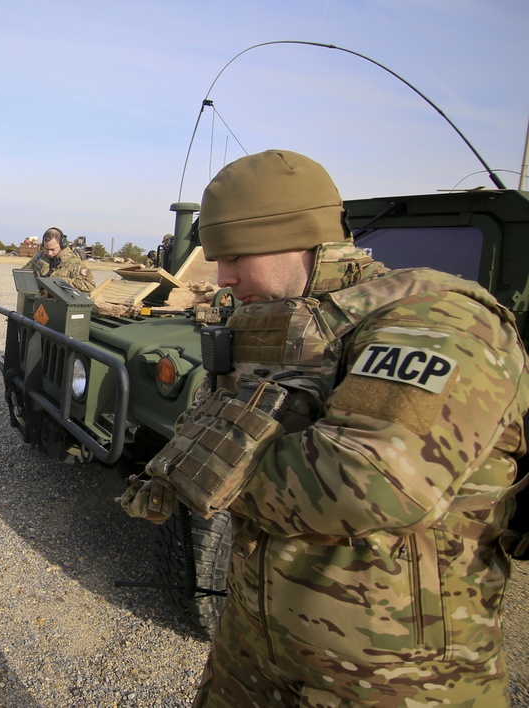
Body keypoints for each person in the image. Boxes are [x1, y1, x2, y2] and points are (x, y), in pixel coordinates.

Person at [122, 150, 529, 706]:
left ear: (300, 237)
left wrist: (197, 464)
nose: (224, 278)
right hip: (253, 642)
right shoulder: (283, 320)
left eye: (236, 254)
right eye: (216, 258)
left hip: (393, 675)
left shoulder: (436, 318)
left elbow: (366, 485)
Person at [25, 227, 95, 293]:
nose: (49, 253)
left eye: (52, 249)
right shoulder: (40, 256)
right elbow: (24, 274)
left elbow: (89, 285)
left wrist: (60, 282)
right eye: (47, 249)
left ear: (62, 244)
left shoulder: (74, 262)